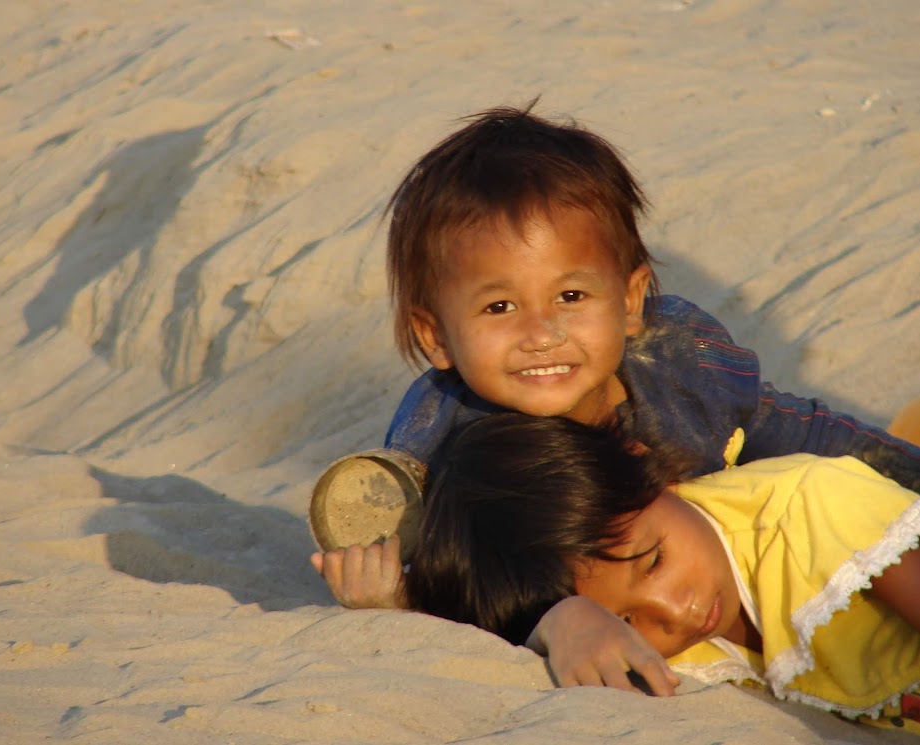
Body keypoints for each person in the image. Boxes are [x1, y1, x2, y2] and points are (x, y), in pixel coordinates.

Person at [310, 101, 920, 696]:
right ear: (437, 335)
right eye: (499, 307)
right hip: (681, 609)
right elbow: (466, 583)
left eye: (572, 296)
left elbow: (800, 432)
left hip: (745, 554)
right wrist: (407, 597)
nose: (542, 334)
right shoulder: (447, 452)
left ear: (629, 302)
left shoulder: (680, 370)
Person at [405, 411, 920, 728]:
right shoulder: (638, 633)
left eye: (655, 561)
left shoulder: (810, 509)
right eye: (624, 621)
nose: (676, 613)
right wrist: (560, 619)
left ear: (647, 469)